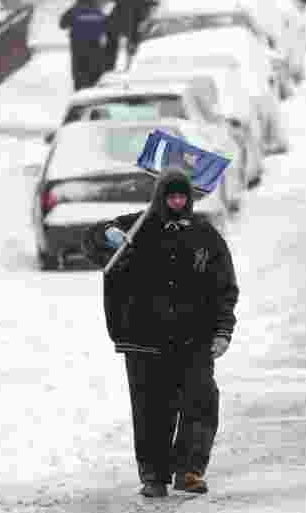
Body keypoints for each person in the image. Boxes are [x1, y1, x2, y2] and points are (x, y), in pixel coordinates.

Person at [81, 167, 239, 498]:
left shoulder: (204, 236)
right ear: (161, 197)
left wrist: (223, 330)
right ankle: (154, 474)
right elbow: (93, 239)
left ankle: (190, 470)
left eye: (183, 196)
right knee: (152, 409)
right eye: (171, 196)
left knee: (201, 401)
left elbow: (225, 288)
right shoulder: (137, 227)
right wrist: (107, 237)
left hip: (194, 338)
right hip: (144, 339)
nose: (178, 202)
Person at [59, 0, 108, 91]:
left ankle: (80, 99)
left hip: (78, 49)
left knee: (79, 79)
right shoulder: (97, 11)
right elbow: (106, 26)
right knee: (94, 78)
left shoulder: (74, 11)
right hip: (95, 49)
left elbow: (62, 24)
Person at [106, 0, 155, 72]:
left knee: (130, 41)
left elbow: (142, 6)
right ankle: (111, 67)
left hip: (127, 21)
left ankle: (125, 66)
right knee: (116, 44)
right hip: (121, 20)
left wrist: (151, 4)